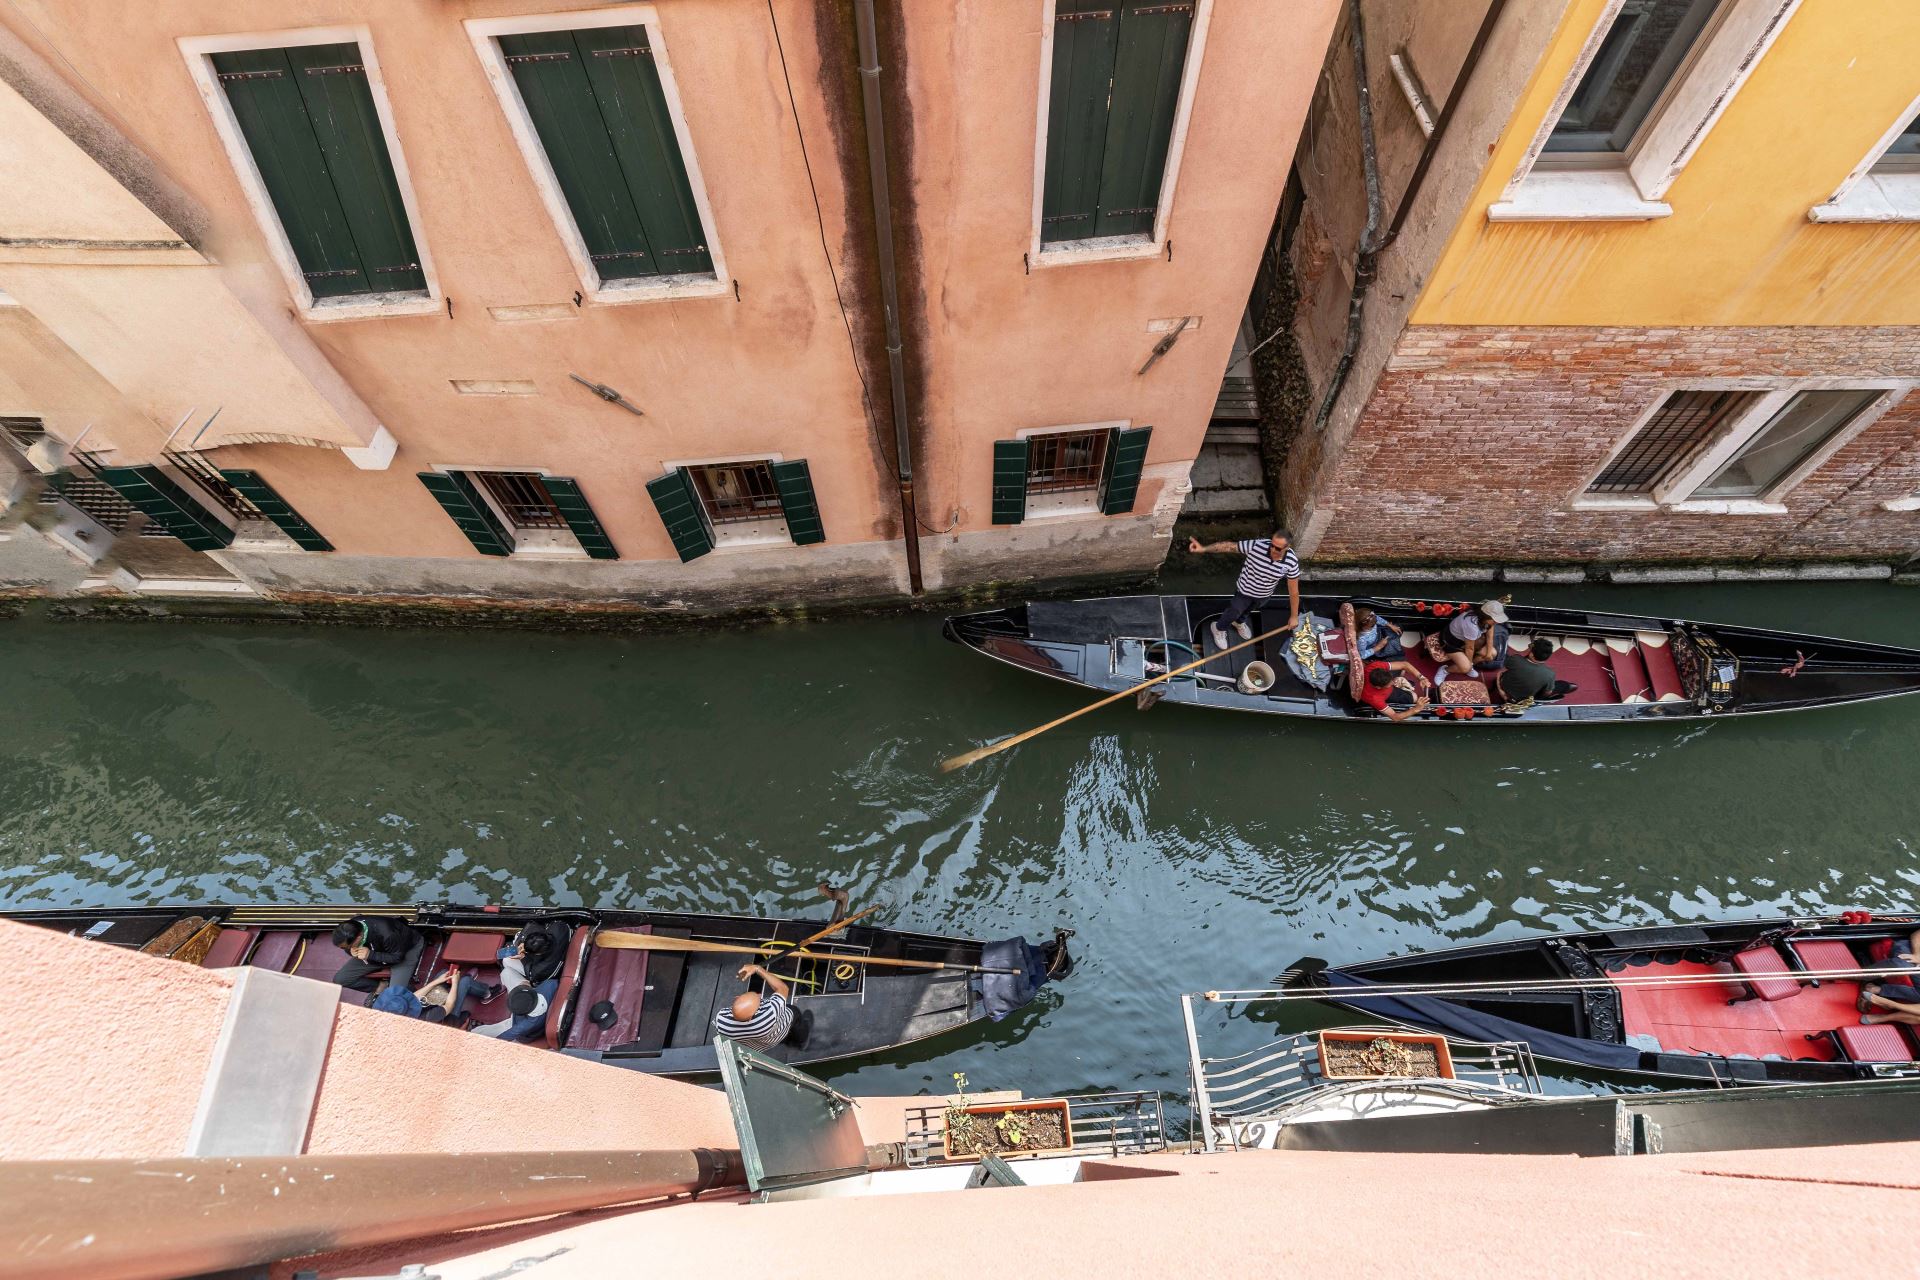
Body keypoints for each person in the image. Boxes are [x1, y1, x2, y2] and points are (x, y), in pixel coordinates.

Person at [1188, 530, 1301, 650]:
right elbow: (1229, 547)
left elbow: (1294, 592)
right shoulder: (1257, 546)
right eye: (1271, 545)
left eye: (1277, 548)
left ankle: (1239, 623)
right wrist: (1203, 549)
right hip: (1244, 590)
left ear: (1287, 548)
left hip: (1264, 594)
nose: (1272, 550)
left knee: (1249, 610)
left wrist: (1294, 616)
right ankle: (1218, 628)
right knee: (1234, 611)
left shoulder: (1291, 562)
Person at [370, 968, 496, 1027]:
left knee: (443, 973)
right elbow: (449, 1005)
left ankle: (458, 981)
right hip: (447, 1018)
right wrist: (456, 983)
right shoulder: (426, 1019)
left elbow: (412, 997)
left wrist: (437, 981)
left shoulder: (389, 1012)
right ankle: (488, 993)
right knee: (465, 982)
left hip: (427, 1007)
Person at [331, 915, 425, 994]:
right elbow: (349, 946)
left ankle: (407, 991)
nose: (346, 949)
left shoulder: (388, 934)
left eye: (346, 947)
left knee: (394, 995)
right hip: (374, 953)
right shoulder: (353, 925)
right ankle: (381, 986)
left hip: (404, 950)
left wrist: (370, 955)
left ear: (358, 937)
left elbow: (397, 958)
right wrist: (350, 951)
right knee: (340, 979)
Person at [714, 962, 794, 1050]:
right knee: (794, 1012)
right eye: (760, 1001)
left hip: (760, 1044)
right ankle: (802, 1041)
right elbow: (783, 988)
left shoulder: (721, 1020)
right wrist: (757, 968)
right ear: (750, 1018)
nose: (760, 995)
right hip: (782, 1029)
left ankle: (788, 1040)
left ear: (737, 998)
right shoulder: (770, 1014)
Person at [1857, 928, 1920, 1026]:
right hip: (1911, 950)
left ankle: (1878, 994)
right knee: (1902, 966)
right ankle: (1859, 976)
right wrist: (1917, 955)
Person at [1433, 601, 1507, 684]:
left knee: (1492, 653)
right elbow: (1469, 648)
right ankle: (1445, 670)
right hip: (1451, 642)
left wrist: (1489, 653)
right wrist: (1469, 664)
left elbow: (1490, 635)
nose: (1497, 622)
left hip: (1468, 641)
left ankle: (1470, 666)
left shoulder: (1488, 620)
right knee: (1465, 668)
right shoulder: (1472, 625)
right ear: (1486, 616)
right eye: (1495, 619)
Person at [1358, 659, 1430, 722]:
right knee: (1414, 697)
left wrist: (1422, 678)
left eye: (1391, 680)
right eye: (1388, 684)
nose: (1392, 683)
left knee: (1401, 675)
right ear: (1378, 687)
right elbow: (1395, 717)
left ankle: (1407, 687)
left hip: (1387, 688)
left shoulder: (1374, 666)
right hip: (1389, 694)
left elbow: (1405, 664)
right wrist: (1416, 709)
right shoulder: (1374, 698)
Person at [1496, 638, 1560, 704]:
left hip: (1503, 691)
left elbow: (1504, 667)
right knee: (1559, 686)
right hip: (1520, 701)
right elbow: (1547, 693)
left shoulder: (1516, 659)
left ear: (1532, 654)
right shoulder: (1550, 674)